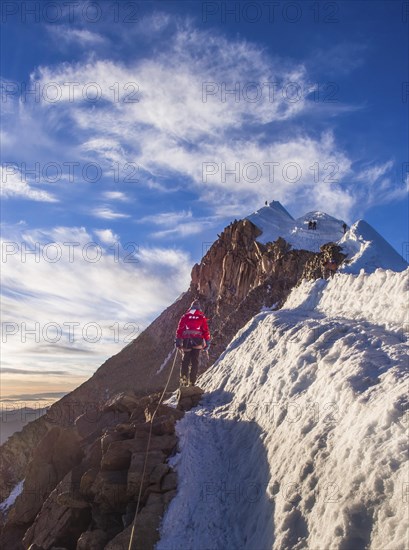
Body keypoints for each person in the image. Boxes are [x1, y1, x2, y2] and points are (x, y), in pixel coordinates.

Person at [175, 300, 210, 386]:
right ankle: (192, 382)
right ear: (199, 308)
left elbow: (180, 330)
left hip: (187, 341)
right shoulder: (202, 317)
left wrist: (178, 342)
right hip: (198, 341)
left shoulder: (185, 317)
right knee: (195, 361)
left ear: (191, 307)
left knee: (185, 360)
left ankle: (183, 380)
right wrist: (207, 343)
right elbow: (205, 331)